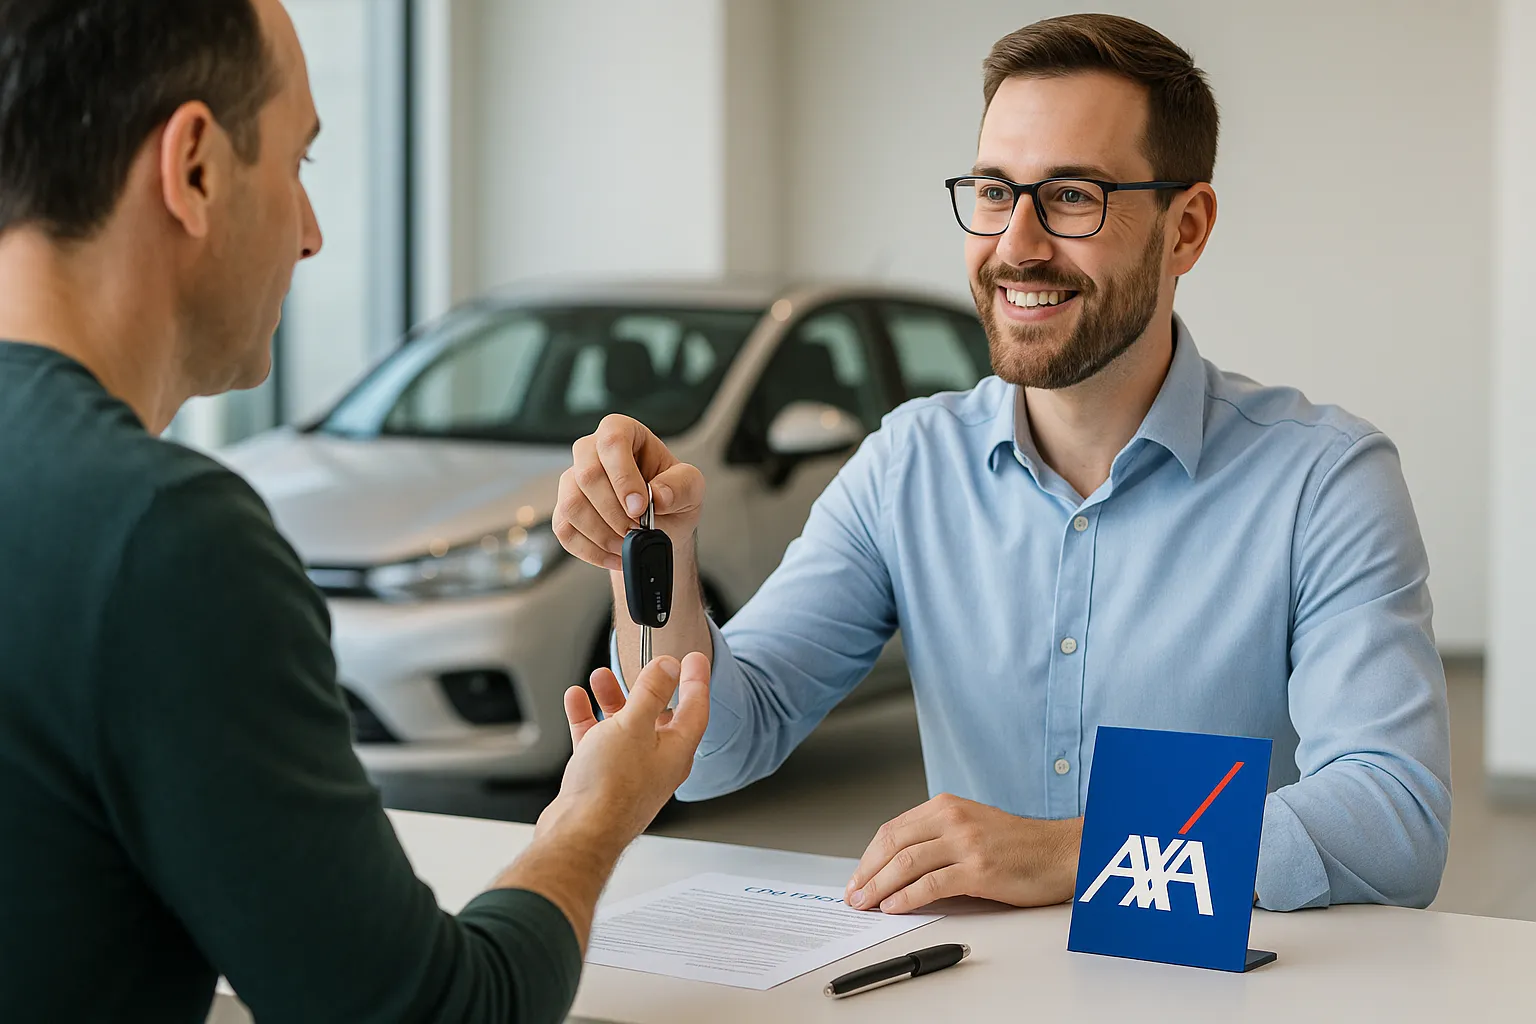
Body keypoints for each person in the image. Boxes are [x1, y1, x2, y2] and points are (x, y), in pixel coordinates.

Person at [556, 13, 1451, 917]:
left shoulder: (1325, 482)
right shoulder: (908, 466)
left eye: (1071, 196)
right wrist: (658, 548)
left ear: (1186, 229)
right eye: (994, 191)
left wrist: (1079, 852)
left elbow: (1393, 817)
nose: (1016, 245)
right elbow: (710, 753)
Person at [0, 1, 710, 1021]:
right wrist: (592, 814)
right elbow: (432, 1011)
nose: (314, 232)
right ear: (194, 167)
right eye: (301, 165)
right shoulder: (156, 533)